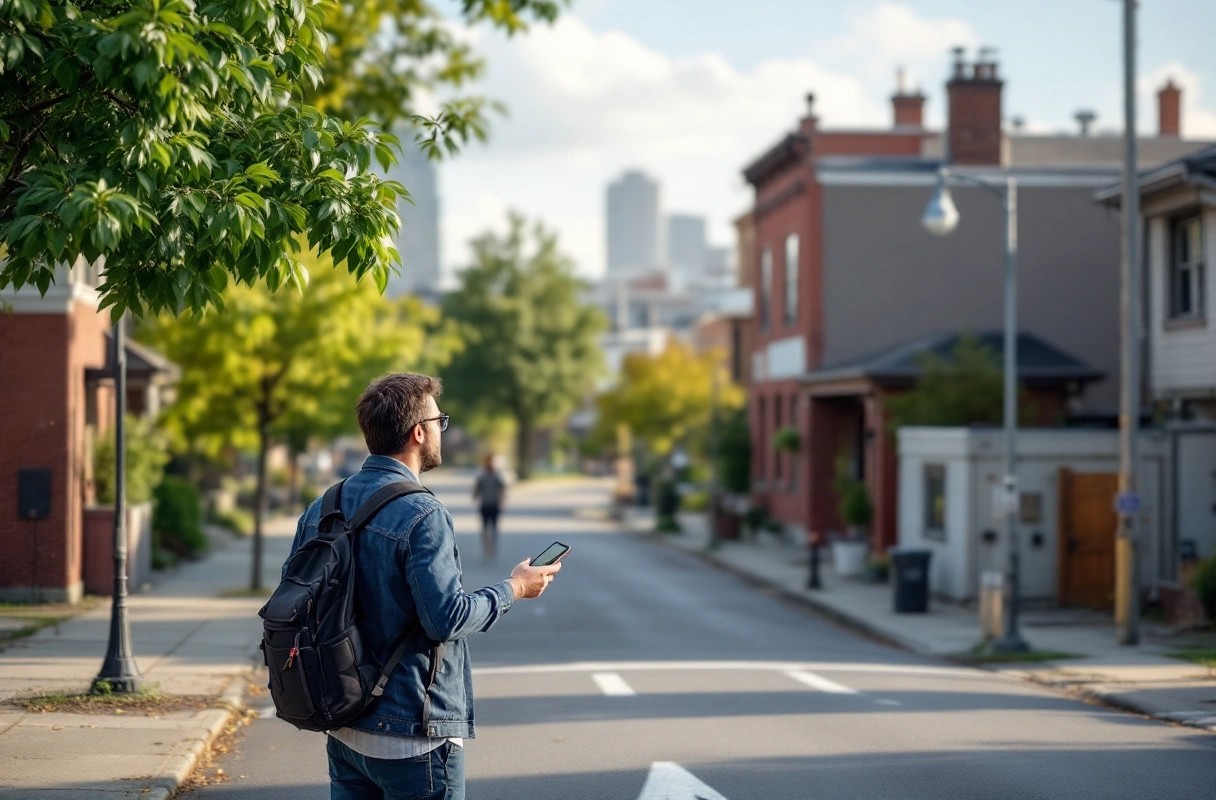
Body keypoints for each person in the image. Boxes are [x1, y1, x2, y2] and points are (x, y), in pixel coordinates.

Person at [286, 373, 561, 800]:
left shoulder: (321, 508)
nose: (441, 430)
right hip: (413, 738)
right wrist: (515, 588)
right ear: (418, 433)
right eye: (439, 422)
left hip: (343, 726)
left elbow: (299, 602)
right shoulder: (422, 513)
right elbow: (446, 619)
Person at [472, 454, 507, 558]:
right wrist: (475, 495)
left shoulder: (497, 476)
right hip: (485, 505)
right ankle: (487, 545)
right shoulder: (482, 476)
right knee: (485, 527)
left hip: (494, 505)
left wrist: (502, 500)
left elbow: (502, 489)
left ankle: (492, 545)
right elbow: (477, 489)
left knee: (494, 527)